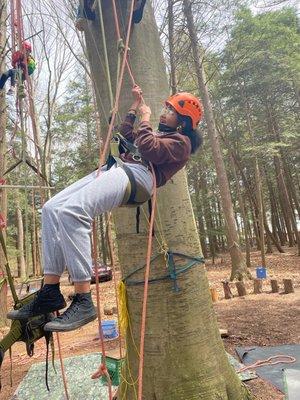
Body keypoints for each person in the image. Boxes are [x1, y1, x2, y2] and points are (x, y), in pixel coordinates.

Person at [7, 85, 203, 332]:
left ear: (182, 123)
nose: (164, 113)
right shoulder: (159, 134)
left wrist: (144, 119)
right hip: (121, 168)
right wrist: (133, 110)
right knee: (51, 208)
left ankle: (83, 298)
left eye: (170, 111)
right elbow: (124, 135)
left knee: (72, 212)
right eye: (165, 108)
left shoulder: (180, 143)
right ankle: (49, 291)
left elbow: (148, 148)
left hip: (138, 177)